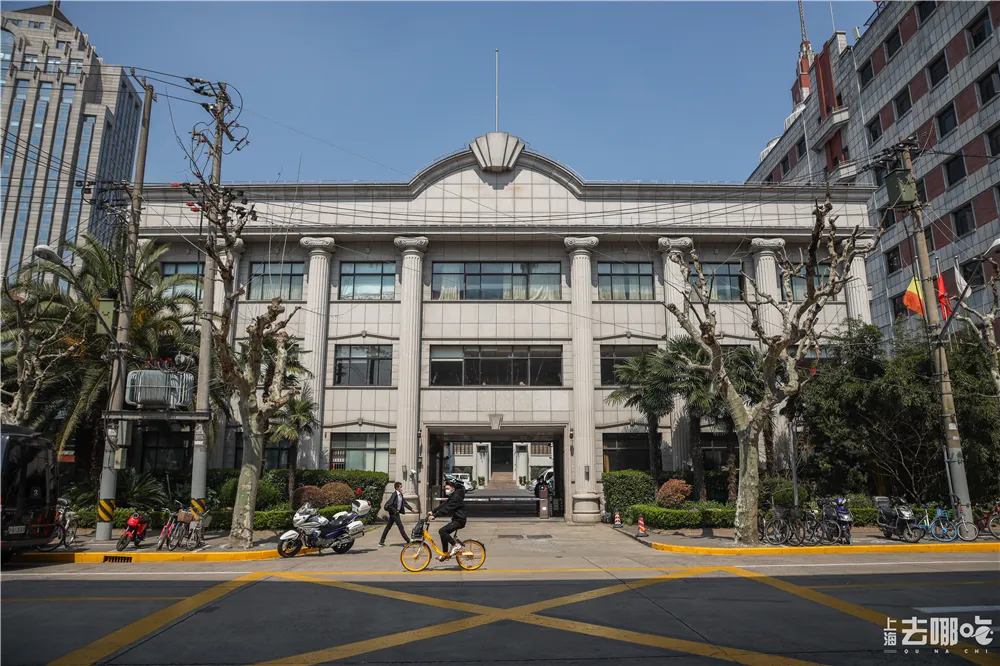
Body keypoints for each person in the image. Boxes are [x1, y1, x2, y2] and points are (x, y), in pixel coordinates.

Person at [428, 478, 466, 561]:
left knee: (442, 531)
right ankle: (445, 554)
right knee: (443, 534)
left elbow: (447, 508)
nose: (446, 490)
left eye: (448, 488)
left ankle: (456, 545)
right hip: (456, 519)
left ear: (453, 488)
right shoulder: (453, 496)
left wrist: (435, 515)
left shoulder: (456, 497)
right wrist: (433, 511)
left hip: (459, 520)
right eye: (445, 488)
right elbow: (444, 504)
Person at [379, 481, 414, 547]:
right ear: (397, 488)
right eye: (401, 487)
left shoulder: (400, 494)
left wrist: (412, 509)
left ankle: (381, 542)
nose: (402, 488)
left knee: (388, 527)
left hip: (394, 513)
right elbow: (390, 504)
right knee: (400, 526)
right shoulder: (394, 494)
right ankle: (408, 540)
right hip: (394, 513)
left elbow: (404, 503)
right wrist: (395, 511)